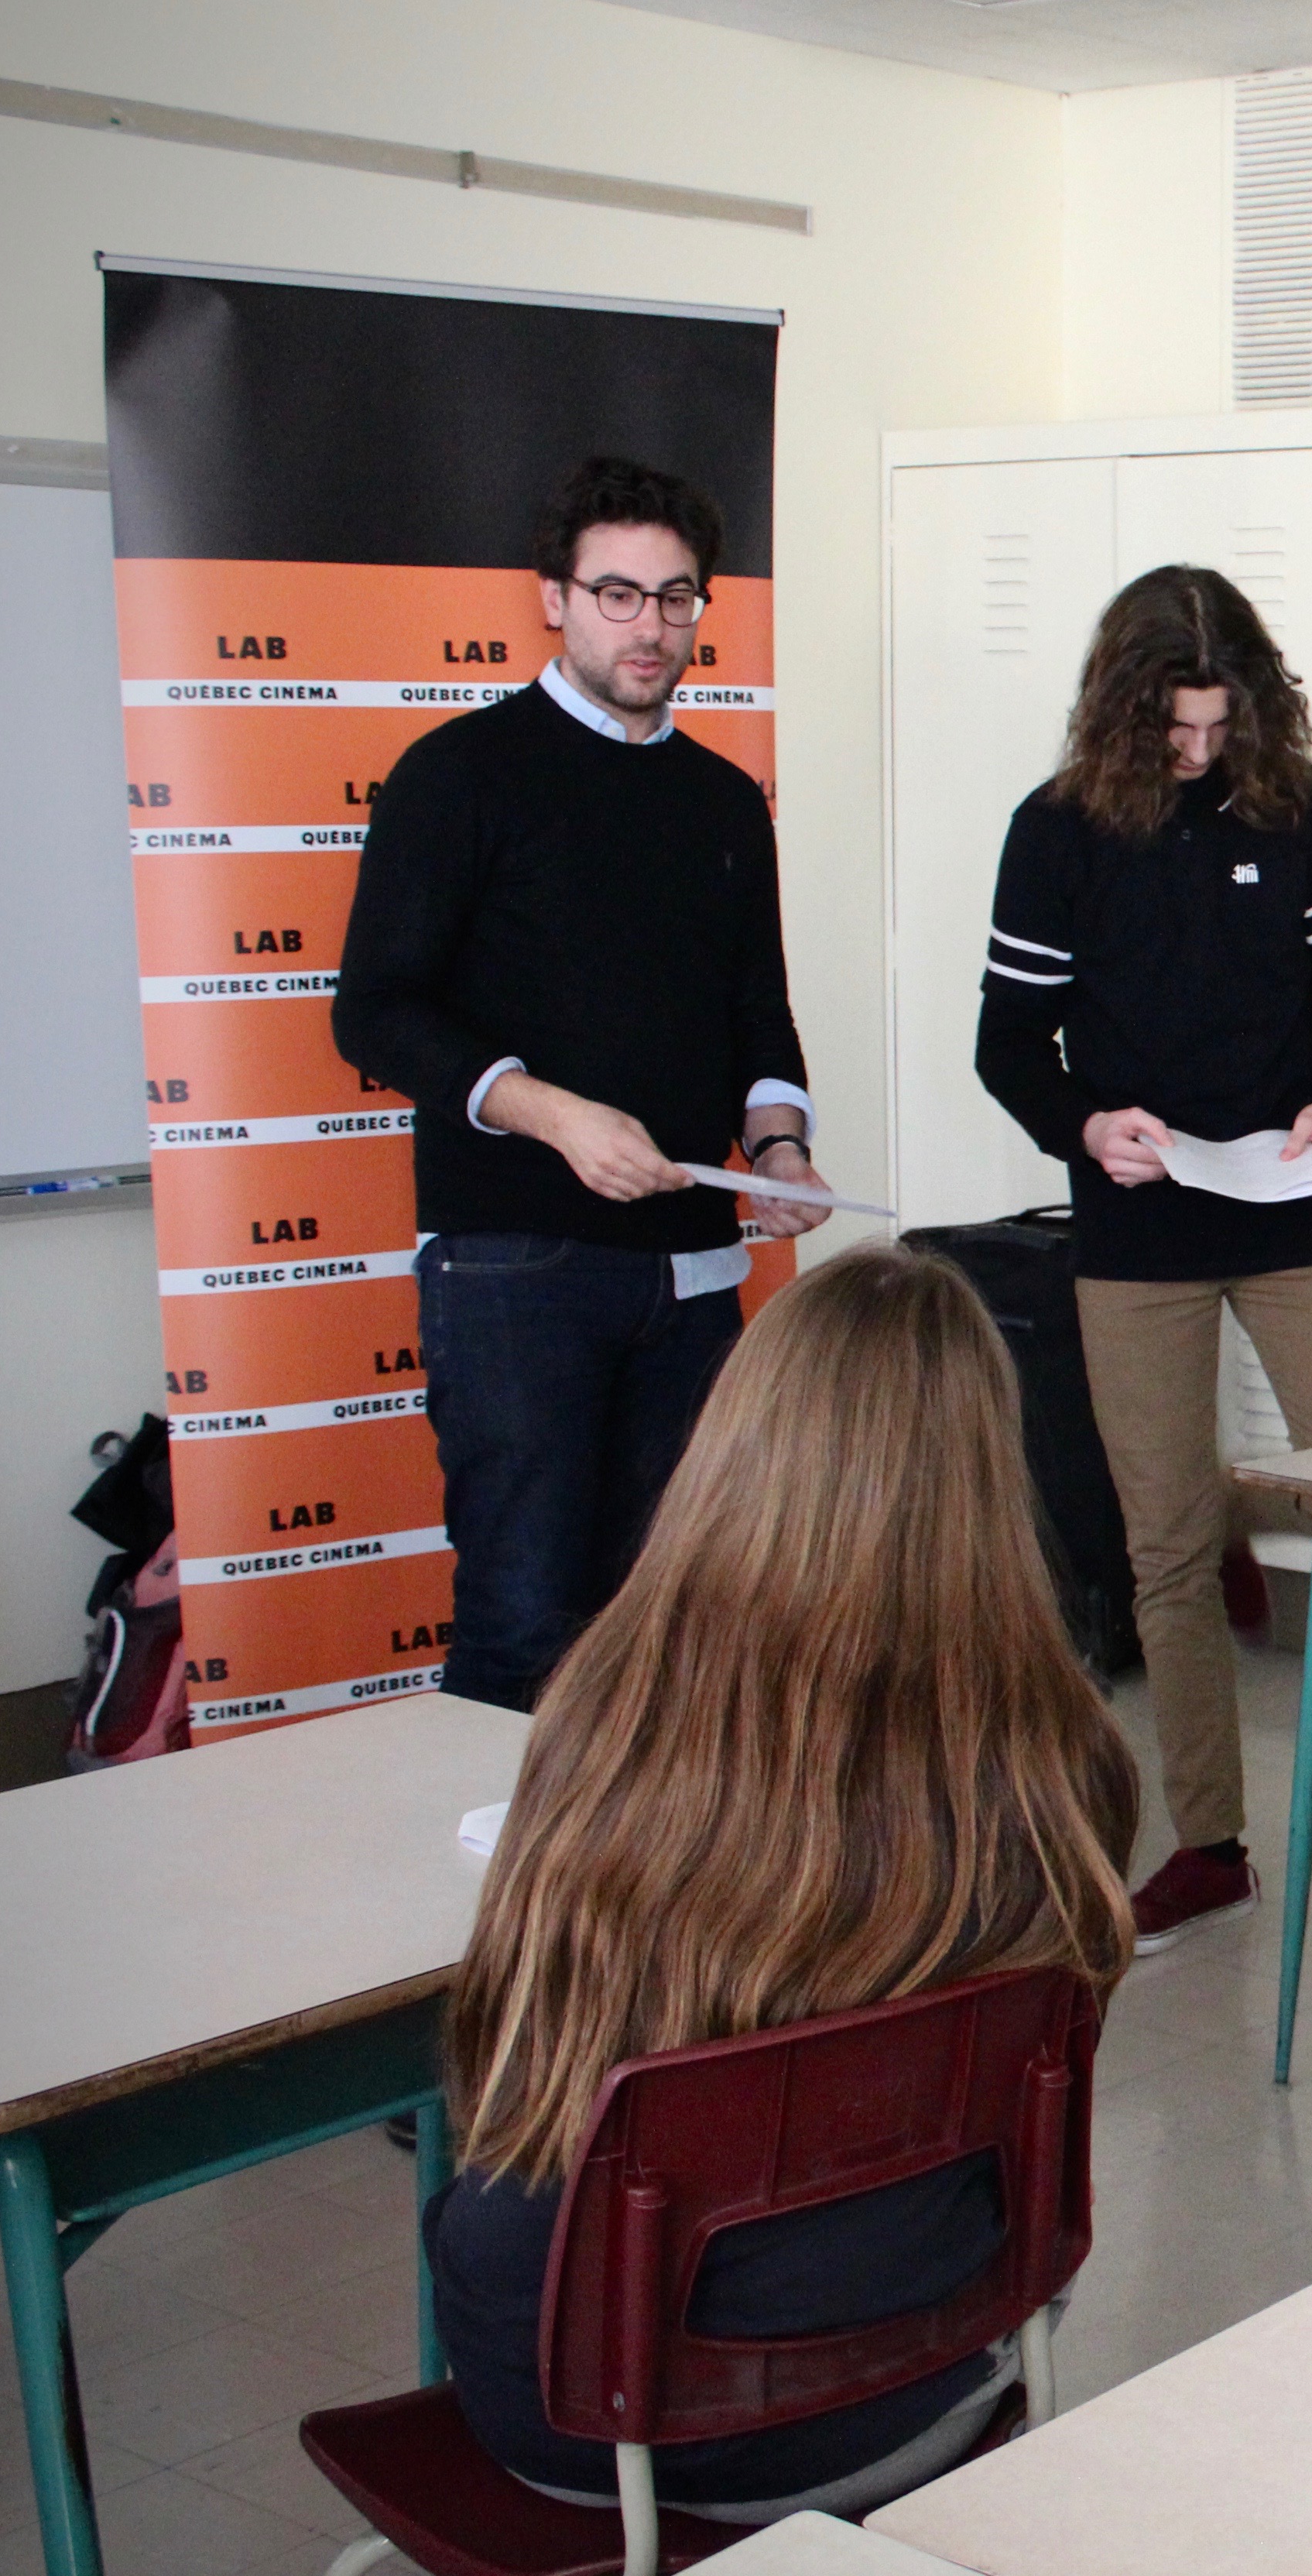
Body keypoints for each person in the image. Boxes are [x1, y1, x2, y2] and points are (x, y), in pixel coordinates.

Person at [432, 1245, 1138, 2523]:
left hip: (589, 2424)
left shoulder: (603, 1714)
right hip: (924, 2387)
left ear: (734, 1442)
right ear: (988, 1471)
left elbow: (509, 2086)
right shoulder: (1063, 1759)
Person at [334, 455, 833, 1713]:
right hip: (515, 1267)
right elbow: (374, 1009)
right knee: (522, 1619)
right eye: (618, 593)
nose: (650, 626)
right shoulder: (459, 773)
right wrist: (554, 1115)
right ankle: (511, 1910)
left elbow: (756, 1011)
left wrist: (775, 1149)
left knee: (675, 1620)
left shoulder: (723, 799)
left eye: (677, 598)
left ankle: (632, 1902)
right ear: (552, 598)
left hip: (692, 1269)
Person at [975, 565, 1312, 1951]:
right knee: (1161, 1546)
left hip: (1292, 1200)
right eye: (1175, 731)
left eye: (1222, 727)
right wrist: (1081, 1125)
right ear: (1121, 710)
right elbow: (1008, 1044)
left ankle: (1221, 1511)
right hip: (1140, 1216)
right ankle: (1209, 1841)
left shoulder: (1298, 812)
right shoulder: (1052, 833)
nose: (1200, 751)